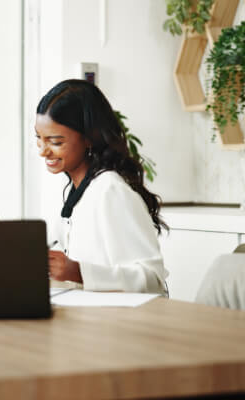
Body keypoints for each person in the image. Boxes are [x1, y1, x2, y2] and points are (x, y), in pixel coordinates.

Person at [35, 79, 169, 295]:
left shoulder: (111, 191)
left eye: (56, 142)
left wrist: (78, 272)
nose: (43, 151)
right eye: (39, 139)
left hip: (123, 316)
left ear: (89, 138)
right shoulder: (76, 191)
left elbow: (152, 278)